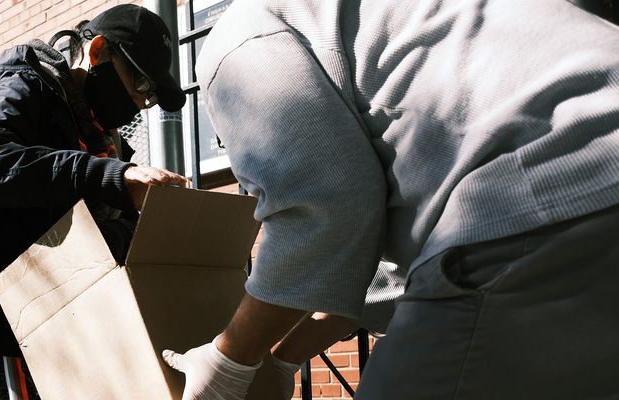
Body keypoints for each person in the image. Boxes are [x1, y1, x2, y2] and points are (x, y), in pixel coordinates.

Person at [163, 1, 619, 399]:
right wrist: (283, 357)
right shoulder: (382, 23)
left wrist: (228, 361)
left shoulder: (236, 39)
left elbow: (322, 212)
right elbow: (373, 264)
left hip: (549, 185)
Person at [0, 4, 188, 399]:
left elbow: (94, 203)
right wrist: (112, 177)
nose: (142, 103)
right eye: (141, 84)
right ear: (97, 52)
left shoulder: (102, 130)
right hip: (8, 307)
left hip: (64, 301)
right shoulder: (26, 83)